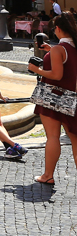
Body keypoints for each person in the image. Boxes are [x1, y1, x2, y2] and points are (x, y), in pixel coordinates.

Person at [28, 13, 77, 185]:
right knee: (75, 139)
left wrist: (36, 69)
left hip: (53, 98)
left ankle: (48, 175)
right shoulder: (71, 48)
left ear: (57, 29)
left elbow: (57, 75)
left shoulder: (59, 49)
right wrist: (51, 52)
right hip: (73, 99)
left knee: (53, 137)